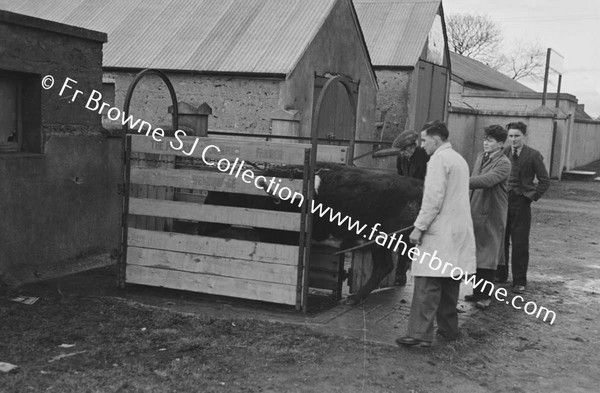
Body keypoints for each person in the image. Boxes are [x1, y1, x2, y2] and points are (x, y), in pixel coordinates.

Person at [396, 120, 476, 347]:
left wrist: (418, 228)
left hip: (440, 231)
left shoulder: (438, 161)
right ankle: (449, 330)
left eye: (423, 140)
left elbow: (432, 200)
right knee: (450, 283)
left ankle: (419, 334)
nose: (421, 145)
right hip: (457, 230)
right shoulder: (458, 159)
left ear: (436, 139)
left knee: (426, 284)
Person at [498, 122, 549, 294]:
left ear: (524, 136)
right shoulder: (503, 152)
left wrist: (531, 196)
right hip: (503, 200)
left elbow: (544, 181)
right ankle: (501, 275)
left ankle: (519, 281)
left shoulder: (533, 155)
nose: (513, 139)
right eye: (511, 136)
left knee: (520, 242)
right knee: (501, 239)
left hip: (521, 202)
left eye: (517, 136)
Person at [465, 125, 511, 309]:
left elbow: (487, 180)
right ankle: (477, 293)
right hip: (475, 210)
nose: (485, 142)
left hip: (492, 213)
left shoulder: (504, 163)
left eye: (490, 140)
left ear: (500, 144)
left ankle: (485, 296)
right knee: (477, 255)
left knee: (488, 257)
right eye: (485, 139)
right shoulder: (480, 157)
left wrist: (460, 179)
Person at [392, 130, 430, 285]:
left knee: (412, 238)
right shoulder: (401, 158)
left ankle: (403, 270)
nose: (403, 154)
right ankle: (401, 271)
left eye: (405, 150)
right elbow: (401, 177)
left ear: (413, 147)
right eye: (402, 151)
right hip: (407, 200)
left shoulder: (423, 156)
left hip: (422, 199)